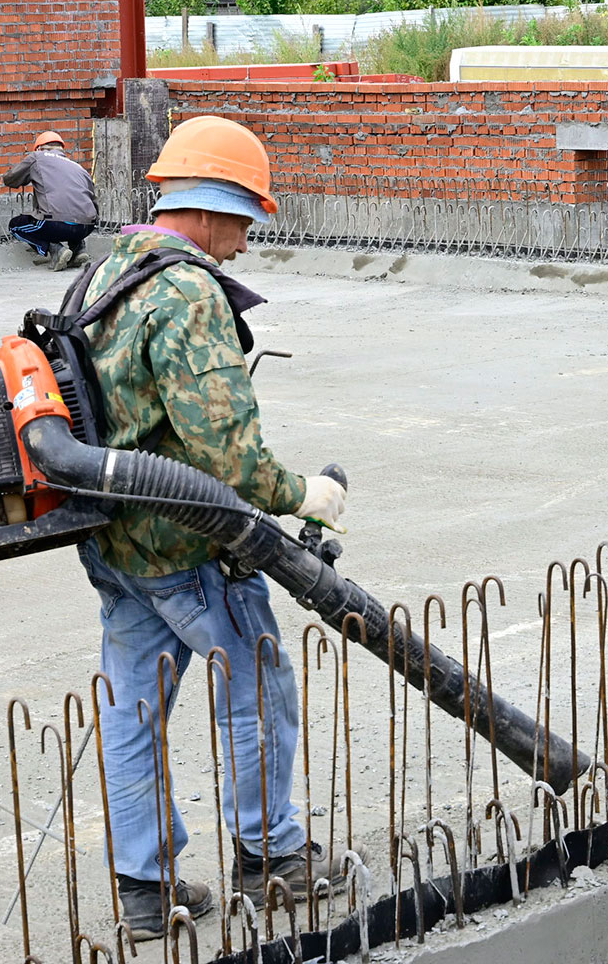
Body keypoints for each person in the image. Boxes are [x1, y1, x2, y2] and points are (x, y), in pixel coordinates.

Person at [71, 115, 349, 938]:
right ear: (207, 207)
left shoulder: (107, 269)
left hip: (114, 544)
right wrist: (303, 494)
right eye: (245, 219)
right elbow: (227, 454)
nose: (248, 240)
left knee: (132, 708)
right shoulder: (186, 292)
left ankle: (145, 889)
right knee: (257, 689)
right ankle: (272, 858)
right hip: (188, 547)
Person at [3, 130, 98, 271]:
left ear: (39, 148)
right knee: (73, 214)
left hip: (55, 224)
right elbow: (94, 201)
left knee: (15, 226)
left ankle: (55, 249)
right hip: (86, 227)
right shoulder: (78, 167)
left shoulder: (37, 157)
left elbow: (10, 179)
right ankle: (78, 248)